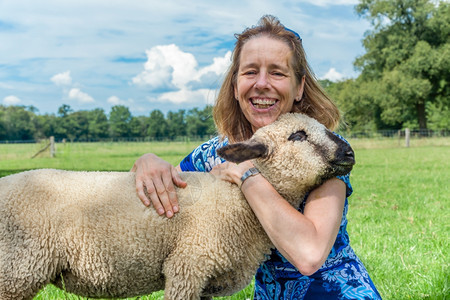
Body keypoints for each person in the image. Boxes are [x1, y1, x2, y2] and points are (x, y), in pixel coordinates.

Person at [131, 15, 381, 300]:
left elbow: (309, 255)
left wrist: (247, 173)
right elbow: (169, 188)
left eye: (277, 72)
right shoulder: (214, 154)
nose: (262, 83)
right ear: (235, 85)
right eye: (250, 72)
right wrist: (148, 162)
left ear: (299, 87)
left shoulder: (321, 148)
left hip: (337, 292)